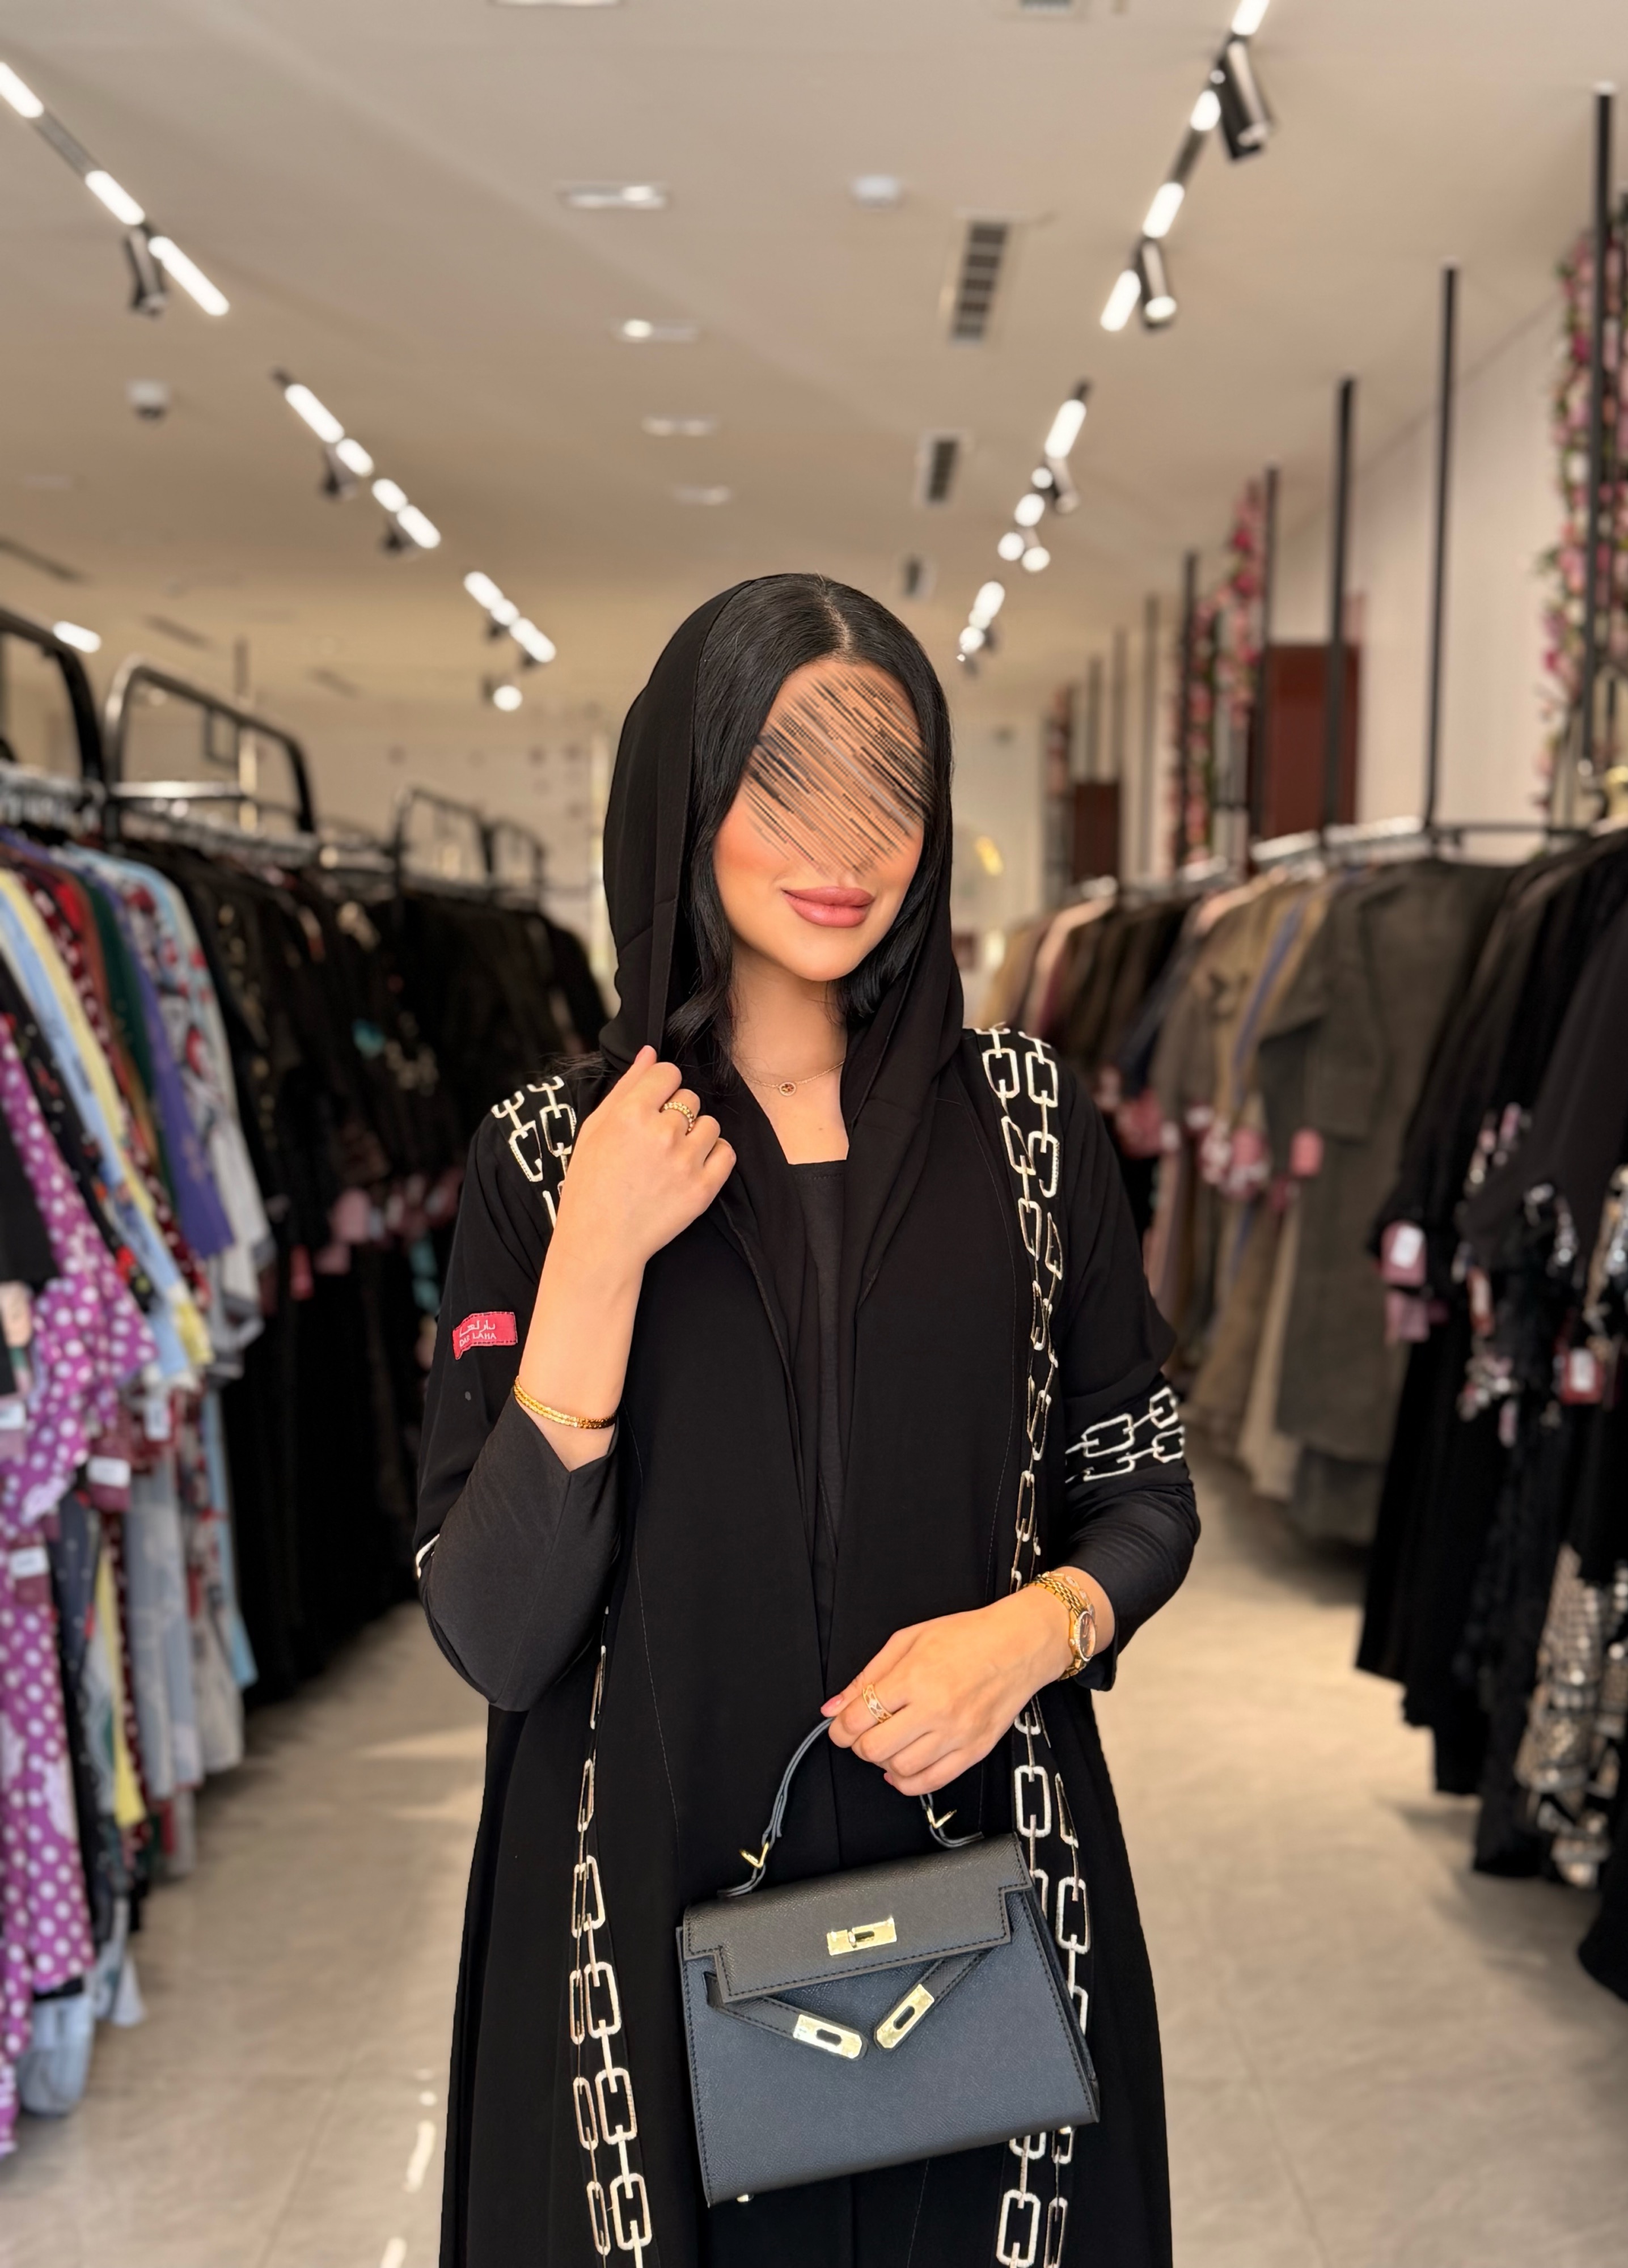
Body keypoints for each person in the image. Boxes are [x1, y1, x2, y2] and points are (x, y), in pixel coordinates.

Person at [413, 574, 1199, 2267]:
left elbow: (1142, 1490)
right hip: (638, 1914)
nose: (846, 842)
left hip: (985, 1879)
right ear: (685, 796)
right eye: (785, 782)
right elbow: (494, 1628)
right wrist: (599, 1257)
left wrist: (1029, 1636)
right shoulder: (550, 1155)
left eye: (889, 787)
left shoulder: (1032, 1131)